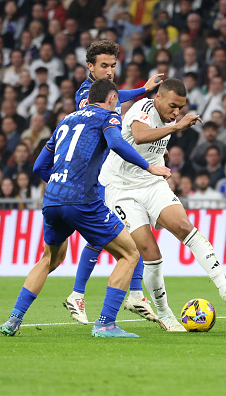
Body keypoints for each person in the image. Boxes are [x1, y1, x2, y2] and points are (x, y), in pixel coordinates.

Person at [0, 78, 171, 338]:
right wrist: (150, 166)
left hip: (53, 198)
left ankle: (13, 319)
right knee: (130, 254)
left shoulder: (66, 120)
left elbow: (38, 167)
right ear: (113, 98)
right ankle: (105, 323)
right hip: (83, 201)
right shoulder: (108, 117)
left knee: (49, 259)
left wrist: (61, 185)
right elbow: (115, 143)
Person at [97, 78, 226, 332]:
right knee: (150, 252)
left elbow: (147, 143)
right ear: (159, 98)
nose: (176, 112)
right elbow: (142, 135)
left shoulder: (166, 118)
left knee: (184, 226)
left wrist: (161, 151)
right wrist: (177, 127)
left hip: (152, 182)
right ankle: (165, 314)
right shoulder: (141, 109)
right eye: (173, 106)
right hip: (121, 189)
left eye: (181, 107)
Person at [64, 40, 164, 325]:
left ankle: (134, 293)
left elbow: (118, 101)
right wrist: (143, 90)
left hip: (107, 171)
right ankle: (79, 294)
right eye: (103, 66)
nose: (109, 71)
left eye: (112, 65)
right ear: (90, 67)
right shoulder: (88, 94)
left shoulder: (109, 94)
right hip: (97, 175)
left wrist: (142, 90)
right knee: (106, 236)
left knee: (133, 228)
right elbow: (113, 105)